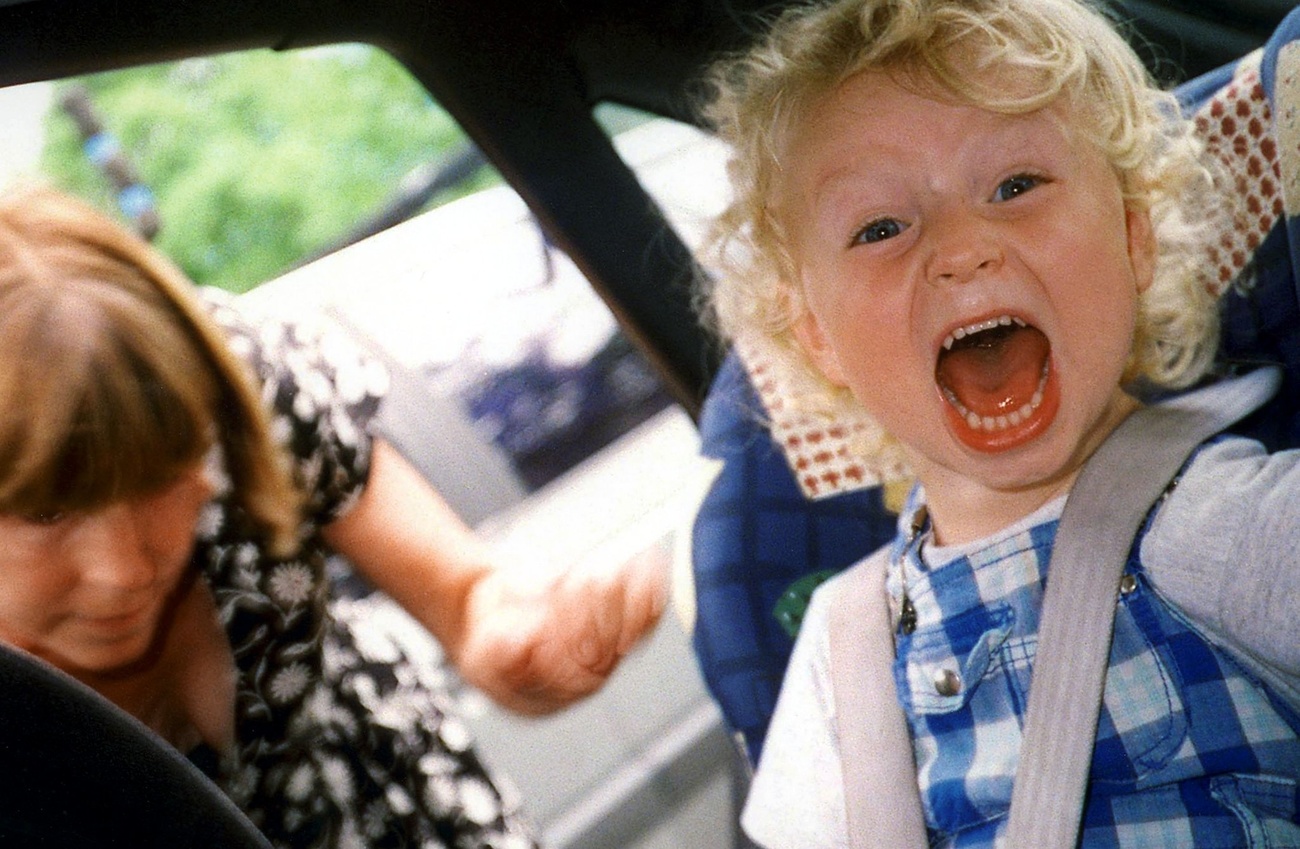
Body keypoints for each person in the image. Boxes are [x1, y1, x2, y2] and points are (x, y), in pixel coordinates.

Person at [697, 0, 1300, 845]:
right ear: (819, 340)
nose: (961, 245)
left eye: (1015, 185)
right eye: (880, 227)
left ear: (1133, 240)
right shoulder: (843, 658)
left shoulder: (1227, 526)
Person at [0, 185, 667, 848]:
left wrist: (515, 645)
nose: (126, 567)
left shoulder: (243, 384)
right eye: (47, 511)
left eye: (161, 476)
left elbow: (469, 599)